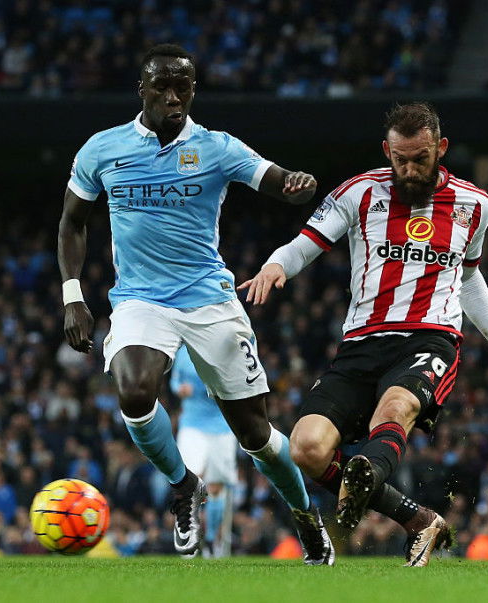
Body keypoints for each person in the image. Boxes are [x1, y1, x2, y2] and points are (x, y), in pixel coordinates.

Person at [240, 102, 488, 566]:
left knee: (395, 406)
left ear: (440, 149)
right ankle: (419, 520)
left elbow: (466, 276)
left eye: (421, 159)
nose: (410, 169)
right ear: (386, 151)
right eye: (401, 159)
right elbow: (306, 243)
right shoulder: (358, 193)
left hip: (430, 338)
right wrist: (275, 265)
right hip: (361, 344)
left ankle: (369, 470)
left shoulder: (474, 204)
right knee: (306, 449)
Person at [58, 43, 333, 564]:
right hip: (141, 299)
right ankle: (186, 488)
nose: (172, 96)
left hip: (210, 299)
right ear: (142, 90)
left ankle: (304, 515)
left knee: (254, 432)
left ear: (192, 91)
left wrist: (297, 186)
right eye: (161, 86)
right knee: (136, 392)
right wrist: (73, 294)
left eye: (182, 86)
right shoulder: (102, 149)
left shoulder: (217, 147)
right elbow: (73, 221)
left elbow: (275, 179)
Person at [171, 345, 237, 557]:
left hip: (222, 425)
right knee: (189, 482)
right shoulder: (182, 352)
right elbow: (175, 380)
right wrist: (179, 389)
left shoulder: (221, 347)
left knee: (216, 487)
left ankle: (211, 542)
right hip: (192, 423)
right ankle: (188, 538)